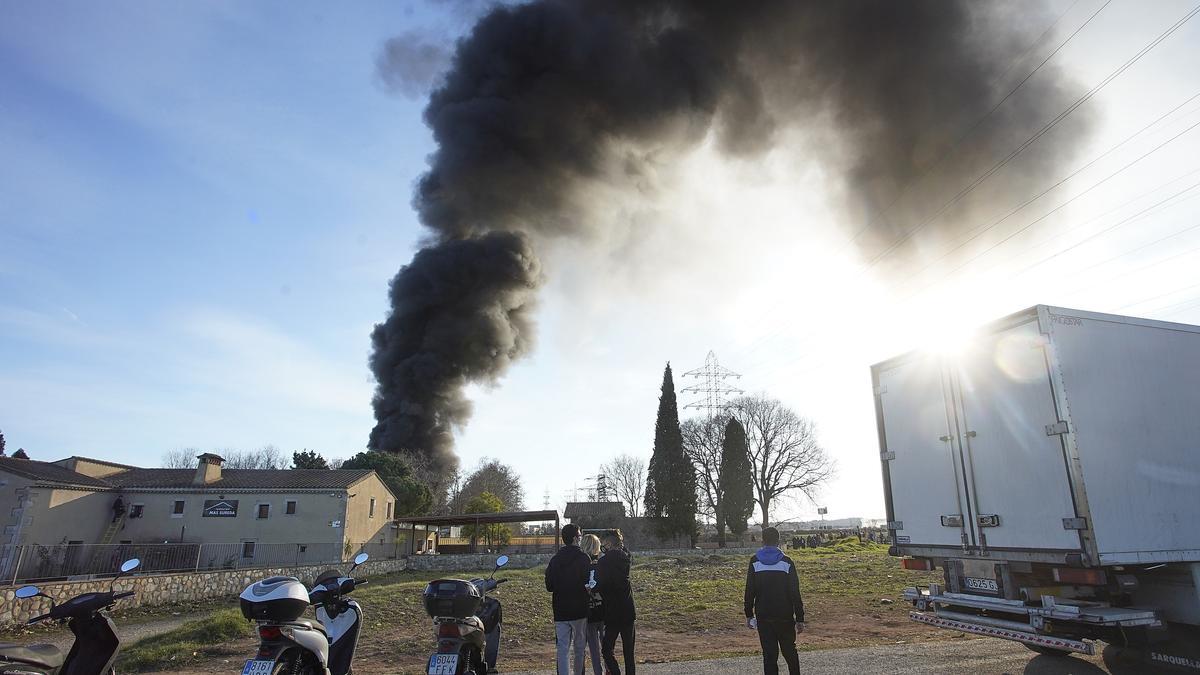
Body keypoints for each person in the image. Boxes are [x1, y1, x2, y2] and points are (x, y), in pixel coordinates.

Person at [744, 527, 805, 675]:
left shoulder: (754, 561)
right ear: (778, 541)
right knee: (790, 652)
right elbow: (794, 592)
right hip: (784, 615)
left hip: (764, 615)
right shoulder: (787, 562)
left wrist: (749, 614)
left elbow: (749, 591)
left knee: (769, 655)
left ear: (763, 541)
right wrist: (800, 618)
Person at [545, 524, 591, 675]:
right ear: (574, 538)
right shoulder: (584, 558)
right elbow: (588, 583)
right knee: (579, 648)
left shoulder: (555, 560)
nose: (580, 538)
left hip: (560, 610)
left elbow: (549, 586)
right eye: (579, 536)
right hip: (580, 610)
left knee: (562, 649)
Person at [596, 529, 635, 675]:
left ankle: (615, 672)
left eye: (603, 544)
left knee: (607, 650)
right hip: (628, 610)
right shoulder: (627, 558)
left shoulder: (603, 562)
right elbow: (624, 550)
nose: (602, 547)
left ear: (608, 544)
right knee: (629, 652)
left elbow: (600, 584)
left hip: (612, 611)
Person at [581, 534, 605, 675]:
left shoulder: (580, 565)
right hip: (603, 610)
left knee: (592, 649)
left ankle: (597, 672)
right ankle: (608, 670)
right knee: (607, 647)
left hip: (588, 611)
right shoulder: (602, 564)